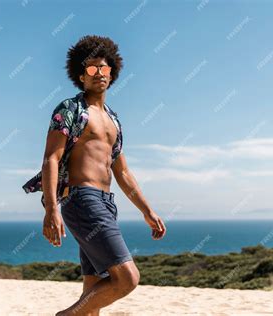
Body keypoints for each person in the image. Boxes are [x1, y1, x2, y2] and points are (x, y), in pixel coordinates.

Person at [24, 35, 167, 316]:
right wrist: (51, 208)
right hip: (82, 199)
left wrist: (147, 211)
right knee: (127, 278)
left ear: (112, 72)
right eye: (91, 69)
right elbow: (51, 158)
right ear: (81, 75)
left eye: (104, 68)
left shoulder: (114, 120)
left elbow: (122, 170)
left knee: (93, 289)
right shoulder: (70, 110)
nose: (99, 73)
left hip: (106, 203)